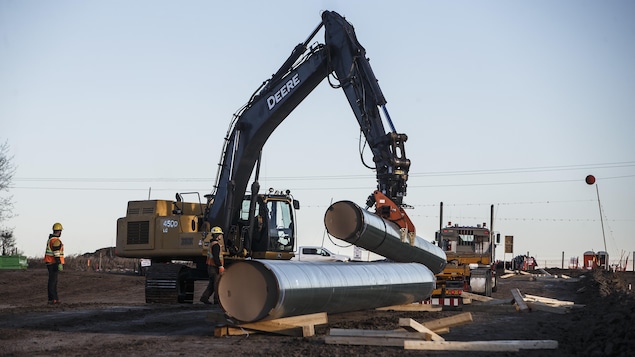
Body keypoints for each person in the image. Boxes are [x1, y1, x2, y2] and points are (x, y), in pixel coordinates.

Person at [199, 226, 225, 305]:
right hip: (215, 268)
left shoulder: (212, 243)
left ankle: (204, 298)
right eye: (220, 234)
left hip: (211, 267)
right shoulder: (216, 245)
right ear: (217, 236)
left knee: (211, 284)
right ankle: (217, 301)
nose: (221, 236)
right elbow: (216, 257)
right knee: (217, 284)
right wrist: (220, 266)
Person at [44, 222, 65, 305]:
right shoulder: (56, 241)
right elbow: (56, 253)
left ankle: (54, 298)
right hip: (53, 263)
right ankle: (53, 299)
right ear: (59, 231)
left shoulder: (51, 239)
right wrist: (59, 263)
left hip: (50, 262)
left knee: (52, 281)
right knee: (53, 282)